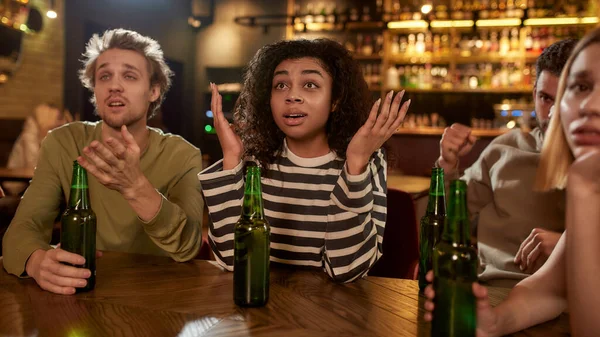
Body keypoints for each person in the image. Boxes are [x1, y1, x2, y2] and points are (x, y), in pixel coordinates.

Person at [423, 26, 600, 336]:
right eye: (580, 89)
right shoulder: (585, 177)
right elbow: (547, 291)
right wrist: (493, 323)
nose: (560, 112)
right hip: (495, 292)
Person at [2, 28, 204, 295]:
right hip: (81, 291)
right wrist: (36, 261)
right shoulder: (63, 142)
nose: (114, 86)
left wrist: (136, 188)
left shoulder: (184, 155)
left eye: (130, 76)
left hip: (160, 294)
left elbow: (188, 245)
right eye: (104, 76)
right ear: (94, 88)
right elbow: (23, 229)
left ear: (153, 90)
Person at [198, 38, 410, 283]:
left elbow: (346, 270)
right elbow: (233, 260)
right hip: (259, 308)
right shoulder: (253, 162)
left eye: (310, 84)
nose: (292, 96)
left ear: (335, 100)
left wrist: (355, 164)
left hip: (335, 314)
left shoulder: (367, 161)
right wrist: (231, 158)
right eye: (280, 85)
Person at [436, 39, 578, 286]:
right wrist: (447, 165)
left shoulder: (591, 161)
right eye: (545, 98)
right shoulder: (505, 148)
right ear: (534, 94)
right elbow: (446, 220)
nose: (553, 113)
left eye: (564, 98)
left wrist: (567, 246)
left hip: (565, 303)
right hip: (490, 290)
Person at [2, 103, 73, 196]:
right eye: (59, 118)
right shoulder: (30, 134)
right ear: (47, 119)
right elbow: (34, 165)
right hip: (18, 185)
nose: (62, 123)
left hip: (37, 184)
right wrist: (43, 138)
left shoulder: (55, 134)